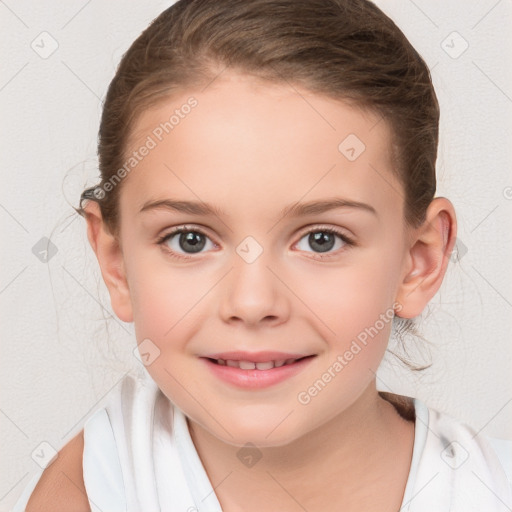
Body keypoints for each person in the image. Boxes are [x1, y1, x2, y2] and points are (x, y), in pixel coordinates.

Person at [13, 0, 512, 510]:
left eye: (322, 239)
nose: (252, 302)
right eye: (190, 239)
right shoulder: (95, 489)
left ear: (419, 260)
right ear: (115, 263)